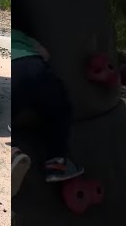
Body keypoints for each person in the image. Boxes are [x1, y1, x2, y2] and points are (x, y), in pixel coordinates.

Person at [11, 28, 84, 182]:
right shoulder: (20, 34)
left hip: (14, 72)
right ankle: (56, 164)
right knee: (60, 111)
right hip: (36, 68)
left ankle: (13, 154)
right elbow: (45, 54)